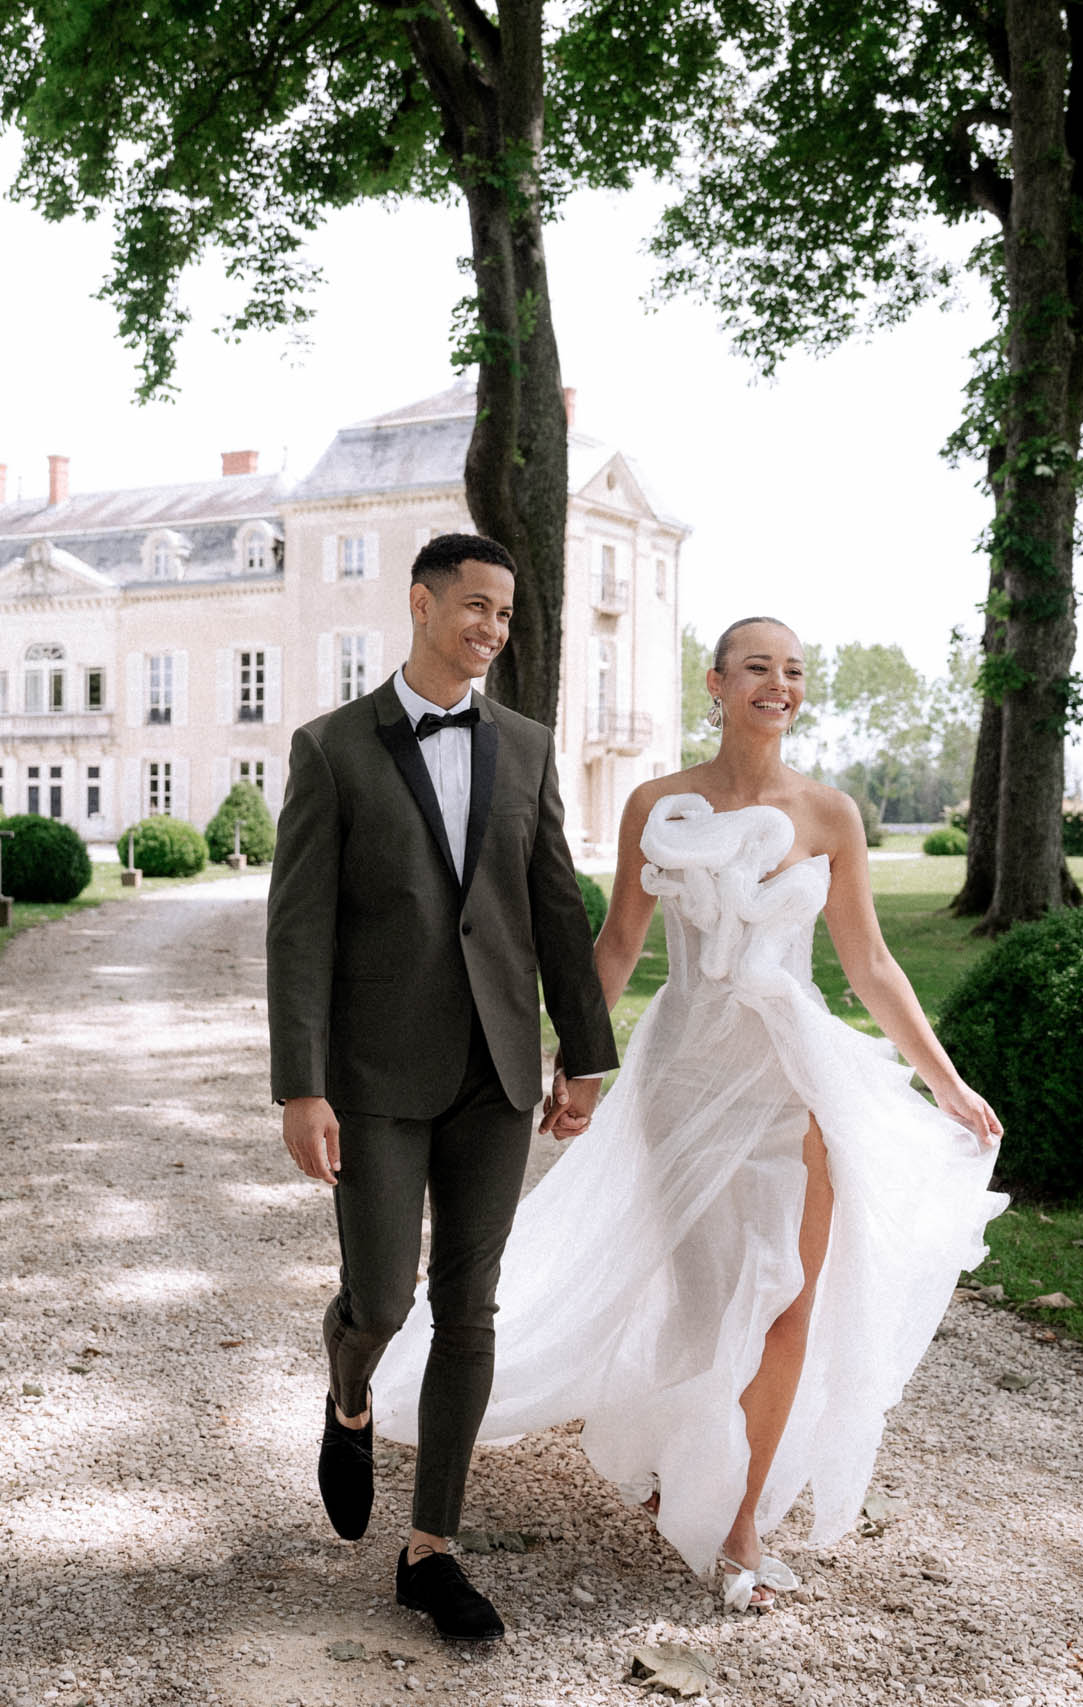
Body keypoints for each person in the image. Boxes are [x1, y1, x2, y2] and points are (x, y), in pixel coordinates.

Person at [367, 615, 1008, 1611]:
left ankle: (743, 1518)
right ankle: (682, 1451)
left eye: (794, 670)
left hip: (793, 1075)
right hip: (686, 1073)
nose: (778, 683)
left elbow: (869, 965)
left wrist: (947, 1079)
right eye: (757, 667)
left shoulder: (830, 815)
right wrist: (578, 1064)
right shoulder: (658, 804)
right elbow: (619, 940)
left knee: (790, 1299)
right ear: (714, 684)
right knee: (711, 1299)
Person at [265, 532, 619, 1643]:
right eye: (474, 607)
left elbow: (554, 906)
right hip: (372, 1076)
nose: (491, 630)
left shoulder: (524, 745)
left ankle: (432, 1551)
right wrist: (301, 1086)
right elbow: (297, 934)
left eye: (505, 616)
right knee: (382, 1298)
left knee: (469, 1308)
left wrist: (587, 1051)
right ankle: (350, 1390)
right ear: (419, 604)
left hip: (499, 1072)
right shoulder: (330, 749)